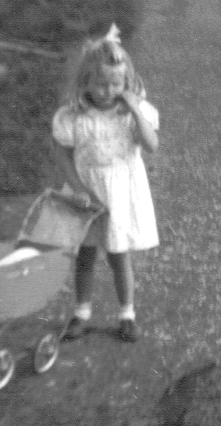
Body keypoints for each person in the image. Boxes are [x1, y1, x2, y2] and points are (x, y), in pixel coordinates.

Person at [52, 25, 161, 343]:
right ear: (85, 81)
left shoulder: (131, 113)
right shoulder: (75, 116)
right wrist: (78, 189)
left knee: (118, 255)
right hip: (87, 191)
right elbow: (61, 153)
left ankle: (127, 313)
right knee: (84, 255)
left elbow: (151, 145)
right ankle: (81, 312)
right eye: (101, 84)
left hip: (121, 194)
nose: (109, 91)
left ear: (127, 82)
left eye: (117, 83)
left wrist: (136, 111)